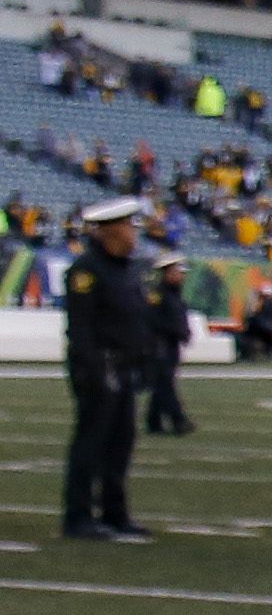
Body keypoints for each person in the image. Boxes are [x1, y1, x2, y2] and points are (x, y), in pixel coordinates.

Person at [58, 198, 157, 542]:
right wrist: (93, 369)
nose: (134, 233)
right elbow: (81, 327)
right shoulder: (87, 271)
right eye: (129, 226)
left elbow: (135, 320)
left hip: (125, 368)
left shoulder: (126, 268)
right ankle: (79, 517)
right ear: (111, 230)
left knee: (120, 443)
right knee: (91, 443)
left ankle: (115, 514)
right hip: (100, 369)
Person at [139, 254, 195, 436]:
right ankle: (178, 420)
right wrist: (175, 331)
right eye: (178, 271)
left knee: (162, 384)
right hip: (159, 345)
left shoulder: (174, 294)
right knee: (165, 384)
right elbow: (152, 319)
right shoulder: (158, 294)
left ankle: (153, 421)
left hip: (171, 345)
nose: (182, 276)